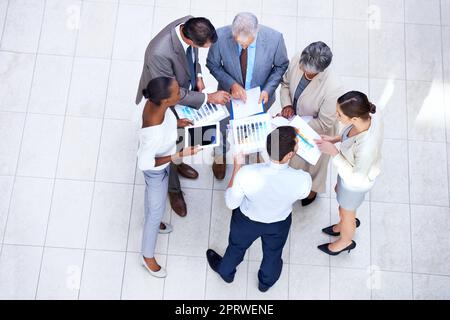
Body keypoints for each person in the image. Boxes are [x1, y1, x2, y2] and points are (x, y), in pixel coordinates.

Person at [136, 16, 231, 217]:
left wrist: (197, 76)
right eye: (203, 46)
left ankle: (179, 164)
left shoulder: (190, 23)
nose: (202, 49)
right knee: (167, 144)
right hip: (165, 99)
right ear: (189, 39)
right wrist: (208, 97)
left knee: (182, 133)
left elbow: (193, 56)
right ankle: (174, 190)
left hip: (180, 90)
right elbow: (175, 93)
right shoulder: (158, 54)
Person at [206, 126, 312, 292]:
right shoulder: (302, 179)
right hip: (278, 223)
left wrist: (237, 167)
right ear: (290, 154)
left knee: (236, 248)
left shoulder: (247, 173)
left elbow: (231, 203)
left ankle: (226, 272)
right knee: (273, 254)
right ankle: (265, 283)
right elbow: (303, 194)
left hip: (246, 221)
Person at [206, 12, 289, 179]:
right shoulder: (220, 37)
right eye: (239, 43)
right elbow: (212, 64)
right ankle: (219, 157)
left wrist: (268, 89)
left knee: (254, 131)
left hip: (259, 99)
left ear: (256, 32)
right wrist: (232, 84)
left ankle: (254, 153)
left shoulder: (275, 39)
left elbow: (281, 66)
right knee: (222, 130)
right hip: (228, 98)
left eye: (247, 44)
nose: (243, 47)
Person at [137, 77, 200, 277]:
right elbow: (145, 163)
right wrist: (178, 155)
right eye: (175, 92)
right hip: (156, 172)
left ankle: (152, 221)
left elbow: (166, 123)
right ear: (165, 100)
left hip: (164, 159)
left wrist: (178, 123)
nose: (180, 92)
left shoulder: (156, 103)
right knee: (156, 210)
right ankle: (147, 256)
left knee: (153, 207)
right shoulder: (153, 134)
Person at [315, 91, 383, 255]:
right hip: (348, 170)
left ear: (354, 118)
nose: (336, 115)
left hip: (354, 183)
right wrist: (336, 139)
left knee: (347, 212)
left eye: (339, 114)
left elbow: (356, 179)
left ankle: (345, 240)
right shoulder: (368, 115)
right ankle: (344, 222)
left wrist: (334, 153)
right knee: (340, 196)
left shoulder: (366, 147)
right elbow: (350, 136)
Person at [280, 41, 343, 207]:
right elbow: (285, 84)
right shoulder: (298, 58)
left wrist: (294, 124)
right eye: (302, 69)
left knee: (314, 165)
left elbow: (324, 122)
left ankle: (312, 190)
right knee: (294, 159)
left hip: (318, 128)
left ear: (321, 71)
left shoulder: (333, 88)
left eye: (309, 73)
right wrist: (286, 105)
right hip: (294, 117)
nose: (303, 72)